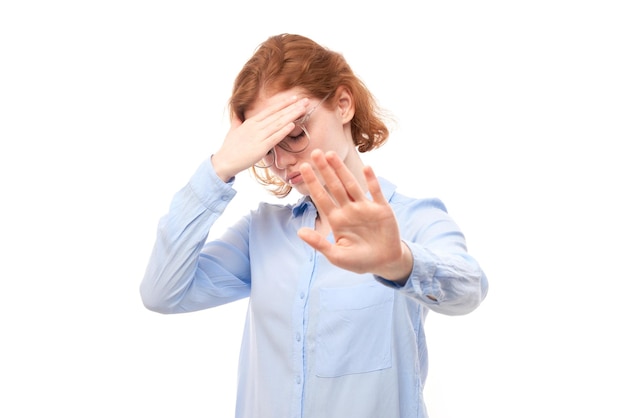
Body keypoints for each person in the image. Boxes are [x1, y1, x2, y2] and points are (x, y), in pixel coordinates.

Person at [140, 33, 488, 418]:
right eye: (264, 148)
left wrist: (399, 262)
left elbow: (469, 289)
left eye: (292, 135)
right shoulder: (261, 234)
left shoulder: (412, 219)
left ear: (342, 104)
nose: (281, 162)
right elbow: (162, 293)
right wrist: (220, 166)